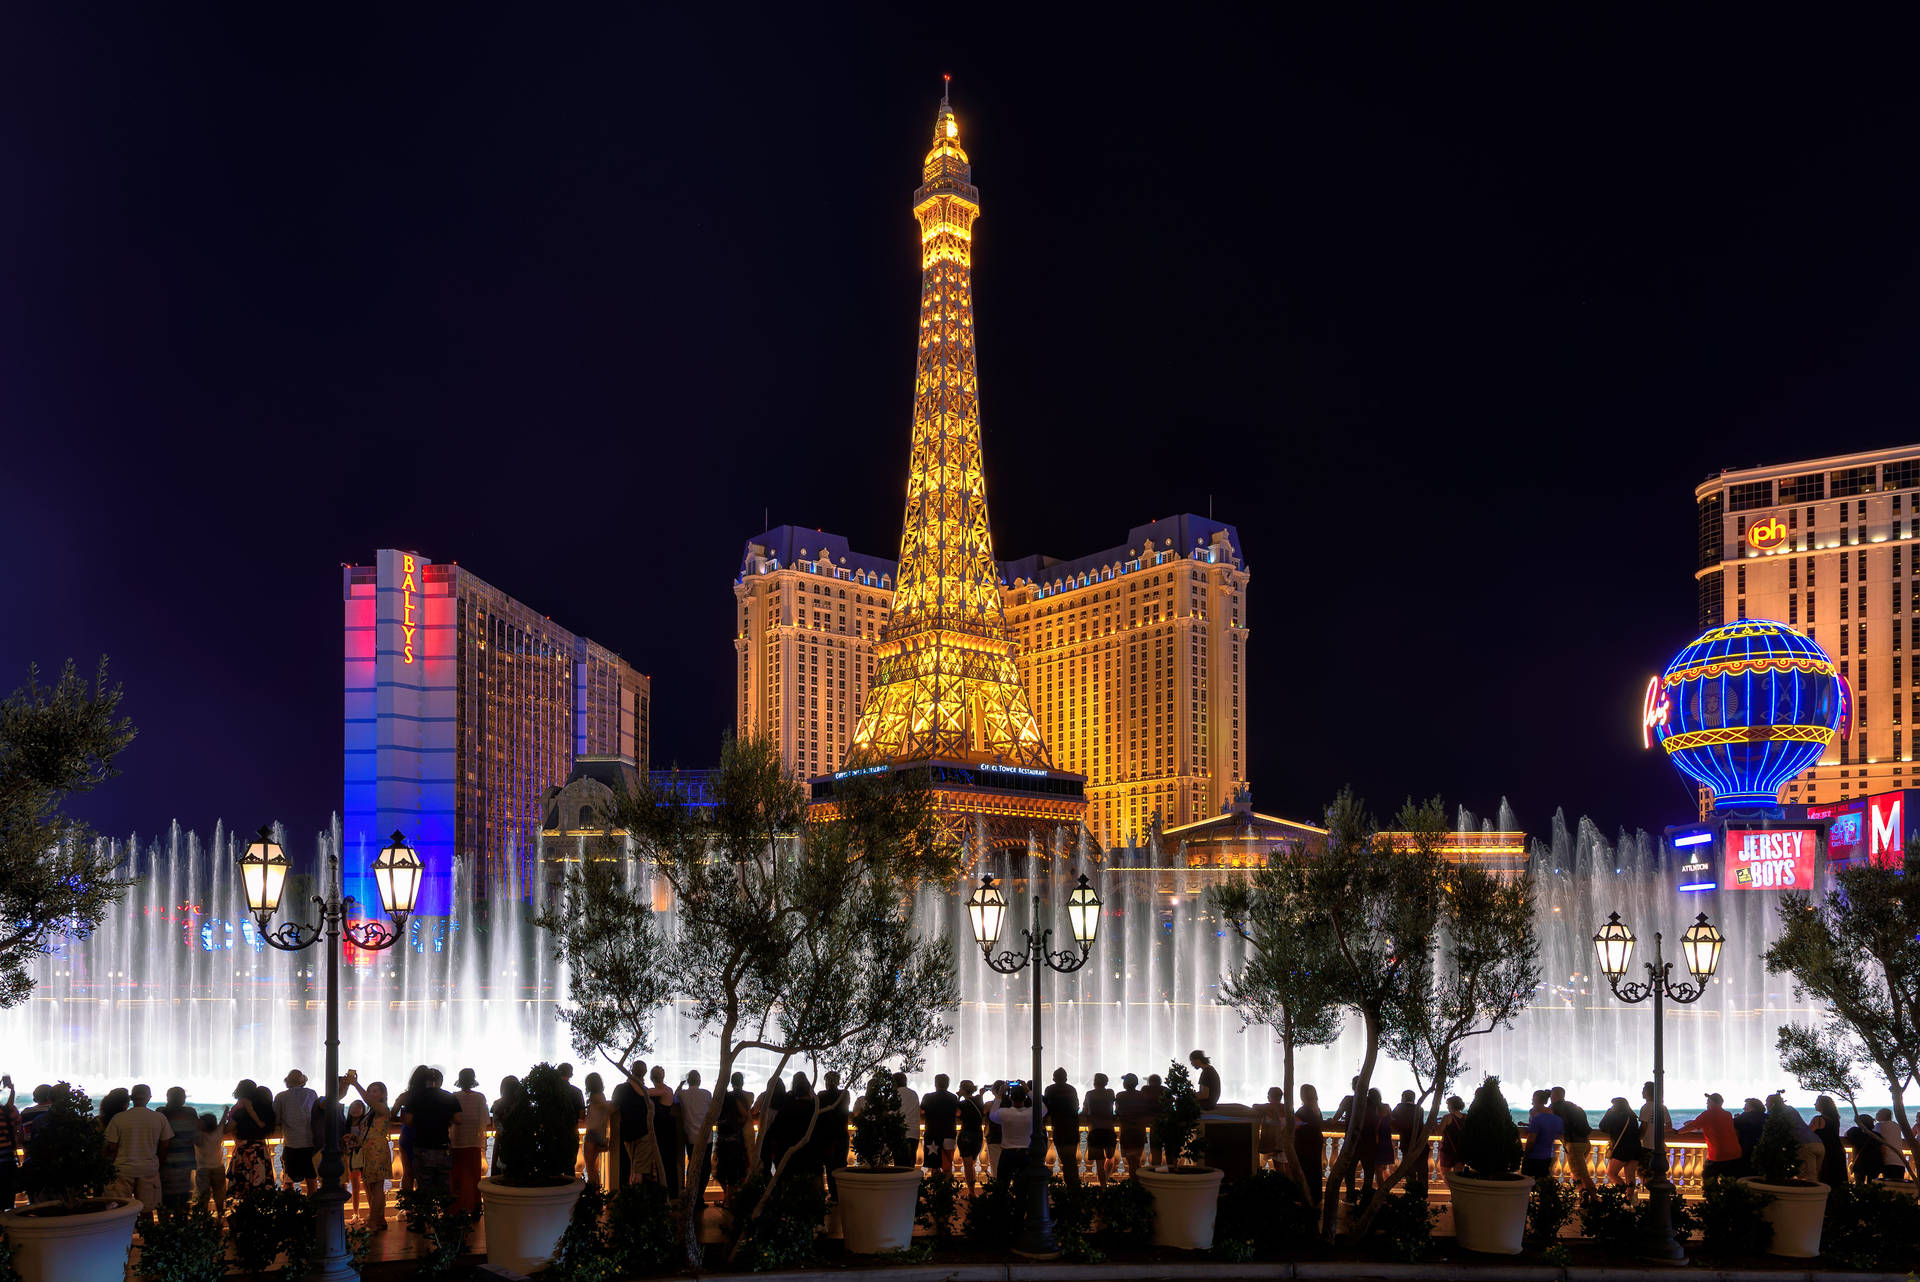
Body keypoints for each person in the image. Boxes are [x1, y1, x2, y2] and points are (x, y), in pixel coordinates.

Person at [103, 1083, 170, 1210]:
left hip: (122, 1170)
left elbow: (111, 1147)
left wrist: (107, 1168)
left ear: (132, 1098)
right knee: (147, 1209)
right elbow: (165, 1145)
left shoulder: (118, 1118)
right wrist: (158, 1163)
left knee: (118, 1209)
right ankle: (146, 1230)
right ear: (149, 1098)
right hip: (148, 1169)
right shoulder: (159, 1118)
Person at [344, 1073, 394, 1232]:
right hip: (370, 1150)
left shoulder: (382, 1108)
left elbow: (367, 1100)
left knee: (377, 1186)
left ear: (383, 1094)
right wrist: (354, 1138)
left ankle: (374, 1220)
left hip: (377, 1150)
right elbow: (367, 1133)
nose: (372, 1093)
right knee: (373, 1187)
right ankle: (379, 1219)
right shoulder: (371, 1112)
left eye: (375, 1091)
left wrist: (356, 1084)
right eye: (370, 1090)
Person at [405, 1065, 458, 1199]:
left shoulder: (415, 1096)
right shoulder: (448, 1096)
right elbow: (459, 1119)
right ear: (441, 1081)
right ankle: (445, 1216)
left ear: (425, 1081)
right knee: (444, 1185)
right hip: (442, 1145)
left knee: (423, 1186)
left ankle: (425, 1217)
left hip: (422, 1146)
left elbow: (408, 1120)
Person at [1676, 1092, 1742, 1179]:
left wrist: (1677, 1132)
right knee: (1729, 1183)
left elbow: (1692, 1126)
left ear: (1712, 1102)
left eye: (1707, 1102)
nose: (1706, 1104)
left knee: (1708, 1180)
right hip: (1734, 1152)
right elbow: (1716, 1125)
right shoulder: (1728, 1114)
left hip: (1718, 1155)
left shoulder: (1708, 1114)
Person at [988, 1083, 1044, 1182]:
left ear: (1010, 1098)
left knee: (1002, 1184)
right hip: (1026, 1153)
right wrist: (1028, 1090)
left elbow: (992, 1115)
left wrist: (999, 1095)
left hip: (1007, 1153)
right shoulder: (1031, 1113)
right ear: (1025, 1098)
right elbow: (1043, 1107)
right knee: (1023, 1185)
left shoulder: (1004, 1113)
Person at [274, 1069, 319, 1194]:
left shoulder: (281, 1096)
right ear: (303, 1082)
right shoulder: (312, 1093)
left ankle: (291, 1209)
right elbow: (316, 1114)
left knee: (288, 1181)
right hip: (310, 1143)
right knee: (312, 1180)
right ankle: (312, 1210)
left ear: (287, 1082)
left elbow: (276, 1118)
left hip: (291, 1144)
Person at [450, 1068, 488, 1214]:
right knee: (474, 1177)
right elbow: (484, 1120)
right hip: (473, 1142)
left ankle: (458, 1207)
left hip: (457, 1142)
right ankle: (475, 1206)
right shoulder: (480, 1097)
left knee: (457, 1176)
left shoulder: (454, 1096)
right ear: (474, 1079)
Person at [225, 1079, 273, 1191]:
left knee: (243, 1187)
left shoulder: (241, 1112)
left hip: (244, 1152)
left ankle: (245, 1208)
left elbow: (227, 1129)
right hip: (261, 1152)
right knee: (261, 1186)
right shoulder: (266, 1113)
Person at [1549, 1086, 1596, 1194]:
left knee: (1583, 1176)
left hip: (1573, 1145)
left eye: (1551, 1094)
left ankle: (1595, 1200)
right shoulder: (1573, 1106)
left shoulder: (1555, 1107)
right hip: (1585, 1143)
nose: (1550, 1097)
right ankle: (1583, 1194)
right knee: (1576, 1173)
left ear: (1555, 1095)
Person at [713, 1072, 753, 1197]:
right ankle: (733, 1197)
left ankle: (729, 1196)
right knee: (735, 1171)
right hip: (736, 1138)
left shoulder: (723, 1099)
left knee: (722, 1171)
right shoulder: (743, 1096)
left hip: (724, 1139)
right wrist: (738, 1124)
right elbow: (745, 1115)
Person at [1767, 1094, 1823, 1181]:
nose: (1766, 1105)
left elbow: (1769, 1123)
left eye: (1767, 1103)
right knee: (1817, 1177)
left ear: (1772, 1104)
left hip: (1805, 1146)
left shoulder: (1776, 1112)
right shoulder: (1791, 1109)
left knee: (1807, 1179)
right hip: (1818, 1144)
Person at [159, 1087, 200, 1208]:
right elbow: (197, 1133)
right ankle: (181, 1224)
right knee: (182, 1198)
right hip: (185, 1161)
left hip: (165, 1160)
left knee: (164, 1198)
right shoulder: (190, 1112)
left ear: (168, 1097)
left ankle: (165, 1225)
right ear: (183, 1099)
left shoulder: (161, 1112)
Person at [614, 1064, 652, 1186]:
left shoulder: (620, 1089)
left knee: (632, 1167)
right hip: (644, 1133)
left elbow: (614, 1107)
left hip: (627, 1133)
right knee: (639, 1169)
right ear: (645, 1072)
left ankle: (630, 1196)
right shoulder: (645, 1091)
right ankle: (638, 1197)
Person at [678, 1070, 713, 1197]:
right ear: (699, 1080)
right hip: (706, 1138)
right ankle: (700, 1196)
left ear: (688, 1081)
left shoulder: (682, 1094)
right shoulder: (707, 1094)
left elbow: (674, 1098)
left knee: (692, 1165)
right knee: (705, 1167)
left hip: (691, 1137)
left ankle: (691, 1193)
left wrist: (680, 1086)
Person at [1043, 1068, 1080, 1184]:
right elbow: (1076, 1105)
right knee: (1071, 1160)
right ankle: (1073, 1186)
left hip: (1059, 1129)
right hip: (1072, 1129)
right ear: (1066, 1078)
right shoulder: (1071, 1089)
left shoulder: (1049, 1089)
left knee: (1065, 1159)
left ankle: (1070, 1184)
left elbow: (1047, 1107)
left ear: (1054, 1078)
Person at [1597, 1096, 1642, 1190]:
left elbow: (1602, 1126)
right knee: (1630, 1175)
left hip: (1622, 1148)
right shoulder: (1632, 1117)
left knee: (1611, 1173)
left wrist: (1608, 1112)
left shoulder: (1614, 1115)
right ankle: (1629, 1198)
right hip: (1635, 1148)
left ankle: (1623, 1189)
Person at [920, 1074, 960, 1174]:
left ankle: (935, 1186)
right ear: (948, 1084)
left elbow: (921, 1111)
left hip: (932, 1134)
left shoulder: (928, 1097)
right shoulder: (953, 1097)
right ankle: (947, 1187)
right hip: (949, 1133)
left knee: (934, 1165)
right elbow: (958, 1112)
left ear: (935, 1083)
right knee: (948, 1164)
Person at [1082, 1073, 1116, 1187]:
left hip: (1095, 1130)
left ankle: (1103, 1187)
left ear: (1094, 1082)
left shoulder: (1089, 1094)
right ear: (1106, 1082)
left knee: (1099, 1162)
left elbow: (1085, 1110)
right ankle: (1105, 1180)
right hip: (1108, 1130)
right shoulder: (1110, 1093)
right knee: (1110, 1156)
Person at [1115, 1073, 1151, 1176]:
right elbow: (1146, 1111)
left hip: (1127, 1132)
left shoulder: (1120, 1096)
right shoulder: (1142, 1096)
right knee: (1136, 1161)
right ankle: (1137, 1184)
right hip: (1139, 1132)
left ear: (1125, 1084)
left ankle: (1134, 1186)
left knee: (1132, 1163)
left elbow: (1118, 1112)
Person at [488, 1075, 523, 1179]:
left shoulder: (497, 1104)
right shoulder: (522, 1103)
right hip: (520, 1139)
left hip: (502, 1139)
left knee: (500, 1169)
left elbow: (496, 1123)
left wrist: (504, 1133)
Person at [1296, 1084, 1326, 1204]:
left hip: (1305, 1144)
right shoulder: (1316, 1109)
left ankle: (1306, 1195)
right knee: (1315, 1168)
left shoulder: (1304, 1110)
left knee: (1305, 1169)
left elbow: (1298, 1125)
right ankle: (1316, 1196)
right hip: (1316, 1142)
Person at [1523, 1090, 1562, 1180]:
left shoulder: (1537, 1119)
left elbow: (1531, 1141)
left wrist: (1525, 1153)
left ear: (1536, 1100)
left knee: (1527, 1185)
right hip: (1548, 1157)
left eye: (1533, 1100)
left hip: (1533, 1157)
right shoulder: (1557, 1120)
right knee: (1543, 1186)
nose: (1531, 1102)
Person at [1811, 1095, 1849, 1188]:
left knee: (1824, 1180)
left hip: (1826, 1152)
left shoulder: (1818, 1119)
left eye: (1817, 1102)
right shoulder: (1835, 1120)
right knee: (1837, 1182)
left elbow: (1808, 1134)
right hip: (1838, 1151)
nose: (1814, 1104)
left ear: (1822, 1105)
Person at [1390, 1089, 1425, 1189]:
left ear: (1403, 1098)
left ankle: (1410, 1190)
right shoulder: (1420, 1109)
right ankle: (1419, 1193)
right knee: (1419, 1168)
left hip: (1406, 1141)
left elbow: (1392, 1120)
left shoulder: (1400, 1107)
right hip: (1418, 1142)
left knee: (1408, 1168)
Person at [194, 1113, 227, 1218]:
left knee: (203, 1195)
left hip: (203, 1169)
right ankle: (220, 1216)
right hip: (218, 1167)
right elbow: (222, 1122)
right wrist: (226, 1111)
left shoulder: (199, 1136)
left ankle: (204, 1218)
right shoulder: (218, 1133)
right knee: (219, 1194)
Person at [955, 1080, 985, 1193]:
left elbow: (956, 1113)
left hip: (966, 1135)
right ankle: (972, 1190)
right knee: (972, 1163)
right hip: (978, 1135)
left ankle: (971, 1192)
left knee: (968, 1165)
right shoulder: (978, 1100)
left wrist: (958, 1097)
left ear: (963, 1089)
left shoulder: (962, 1104)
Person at [558, 1062, 588, 1176]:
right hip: (570, 1133)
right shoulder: (576, 1092)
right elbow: (582, 1115)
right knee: (569, 1167)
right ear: (571, 1074)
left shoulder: (551, 1091)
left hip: (553, 1134)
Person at [583, 1072, 612, 1189]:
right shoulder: (601, 1095)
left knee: (590, 1167)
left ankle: (593, 1194)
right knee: (593, 1167)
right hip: (599, 1134)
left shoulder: (596, 1097)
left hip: (592, 1133)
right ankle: (597, 1194)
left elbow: (607, 1108)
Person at [892, 1072, 922, 1168]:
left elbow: (891, 1113)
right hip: (914, 1134)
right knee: (910, 1164)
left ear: (895, 1083)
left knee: (899, 1165)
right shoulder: (914, 1094)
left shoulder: (895, 1094)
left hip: (900, 1133)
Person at [1844, 1113, 1881, 1185]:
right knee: (1872, 1187)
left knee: (1859, 1186)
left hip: (1860, 1164)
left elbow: (1846, 1135)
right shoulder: (1877, 1136)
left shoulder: (1854, 1132)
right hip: (1874, 1165)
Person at [1437, 1095, 1466, 1185]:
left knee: (1445, 1174)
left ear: (1451, 1105)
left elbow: (1439, 1132)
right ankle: (1457, 1195)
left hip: (1447, 1150)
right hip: (1461, 1150)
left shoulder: (1447, 1117)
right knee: (1458, 1175)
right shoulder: (1466, 1117)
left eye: (1448, 1105)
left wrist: (1435, 1125)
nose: (1447, 1107)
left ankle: (1453, 1193)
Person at [1732, 1098, 1766, 1172]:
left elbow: (1731, 1124)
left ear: (1752, 1107)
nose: (1743, 1108)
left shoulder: (1746, 1116)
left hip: (1746, 1149)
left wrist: (1737, 1118)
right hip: (1763, 1149)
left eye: (1746, 1105)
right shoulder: (1766, 1117)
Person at [1875, 1108, 1910, 1180]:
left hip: (1888, 1161)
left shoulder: (1879, 1125)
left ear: (1882, 1116)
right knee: (1897, 1188)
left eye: (1878, 1113)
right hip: (1900, 1161)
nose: (1876, 1115)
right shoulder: (1896, 1126)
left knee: (1889, 1187)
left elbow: (1872, 1136)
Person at [0, 1075, 17, 1211]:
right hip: (7, 1161)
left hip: (6, 1161)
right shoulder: (4, 1112)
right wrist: (12, 1090)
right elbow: (10, 1106)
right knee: (8, 1195)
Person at [1142, 1073, 1166, 1166]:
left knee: (1155, 1150)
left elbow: (1141, 1101)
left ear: (1149, 1082)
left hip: (1151, 1121)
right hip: (1164, 1121)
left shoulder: (1145, 1089)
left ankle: (1156, 1171)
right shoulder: (1165, 1090)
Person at [984, 1080, 1007, 1174]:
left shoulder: (990, 1105)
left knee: (995, 1168)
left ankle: (998, 1187)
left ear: (993, 1091)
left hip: (994, 1138)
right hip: (1008, 1138)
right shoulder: (1010, 1104)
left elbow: (984, 1110)